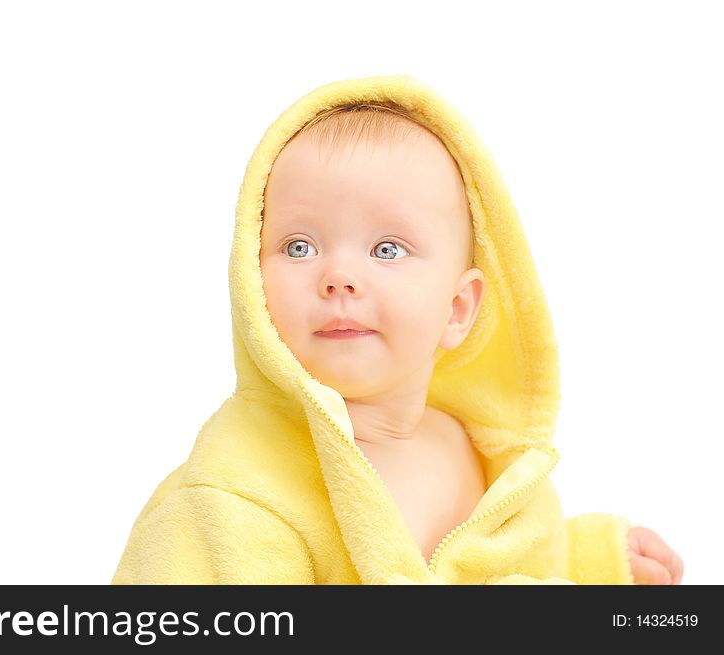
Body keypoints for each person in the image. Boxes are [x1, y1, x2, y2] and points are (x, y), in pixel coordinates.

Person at [111, 74, 683, 585]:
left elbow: (509, 560)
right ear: (250, 283)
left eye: (388, 249)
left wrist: (594, 564)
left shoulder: (481, 455)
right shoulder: (234, 498)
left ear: (458, 310)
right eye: (299, 246)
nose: (339, 277)